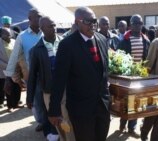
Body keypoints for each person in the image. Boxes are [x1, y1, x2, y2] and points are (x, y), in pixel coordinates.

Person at [48, 7, 111, 141]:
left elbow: (104, 71)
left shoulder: (102, 40)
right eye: (89, 21)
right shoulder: (67, 45)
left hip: (102, 106)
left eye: (95, 21)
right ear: (77, 22)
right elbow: (59, 80)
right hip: (81, 108)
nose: (93, 25)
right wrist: (54, 110)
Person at [3, 8, 44, 132]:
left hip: (48, 75)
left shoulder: (46, 33)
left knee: (50, 101)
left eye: (41, 16)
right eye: (37, 17)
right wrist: (9, 79)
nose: (40, 19)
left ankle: (49, 124)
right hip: (31, 76)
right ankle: (42, 121)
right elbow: (14, 58)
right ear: (30, 19)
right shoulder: (22, 37)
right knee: (37, 103)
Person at [118, 14, 150, 134]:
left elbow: (148, 59)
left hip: (140, 77)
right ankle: (122, 123)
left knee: (137, 102)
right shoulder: (124, 40)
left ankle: (132, 127)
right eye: (135, 23)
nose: (138, 26)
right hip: (127, 78)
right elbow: (119, 57)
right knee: (125, 101)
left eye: (140, 23)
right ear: (131, 25)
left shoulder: (146, 40)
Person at [0, 27, 23, 111]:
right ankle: (9, 106)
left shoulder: (14, 42)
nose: (9, 36)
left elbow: (19, 53)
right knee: (8, 87)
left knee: (17, 87)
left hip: (16, 68)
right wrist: (9, 67)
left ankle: (16, 103)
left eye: (10, 34)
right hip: (5, 69)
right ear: (1, 35)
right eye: (6, 34)